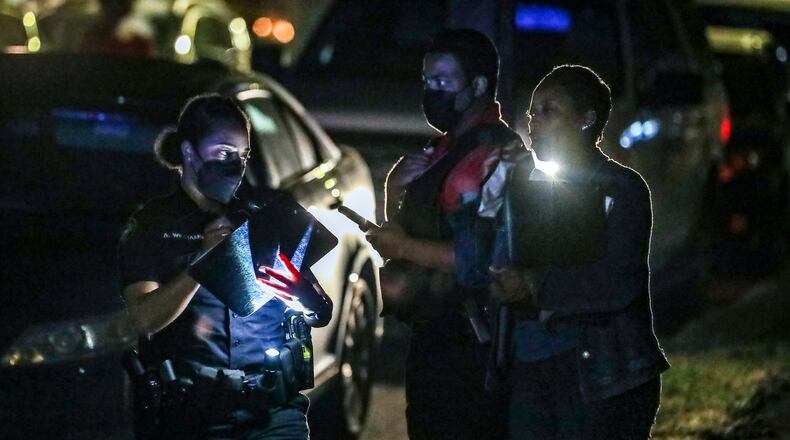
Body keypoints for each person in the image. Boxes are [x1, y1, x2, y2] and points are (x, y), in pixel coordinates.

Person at [118, 94, 331, 439]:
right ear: (189, 152)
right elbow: (144, 319)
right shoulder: (151, 225)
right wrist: (203, 262)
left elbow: (320, 311)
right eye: (223, 153)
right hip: (192, 417)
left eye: (243, 155)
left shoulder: (267, 210)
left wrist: (305, 297)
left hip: (272, 411)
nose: (236, 164)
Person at [490, 65, 670, 439]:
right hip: (533, 369)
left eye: (549, 111)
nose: (535, 122)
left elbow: (618, 281)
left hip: (603, 374)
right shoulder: (523, 187)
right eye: (532, 113)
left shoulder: (620, 188)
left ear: (587, 119)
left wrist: (534, 285)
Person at [366, 29, 524, 440]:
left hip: (474, 343)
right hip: (432, 334)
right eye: (427, 81)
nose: (431, 91)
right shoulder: (442, 151)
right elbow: (402, 237)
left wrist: (401, 245)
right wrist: (394, 191)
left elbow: (481, 258)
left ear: (478, 86)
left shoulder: (495, 155)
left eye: (443, 81)